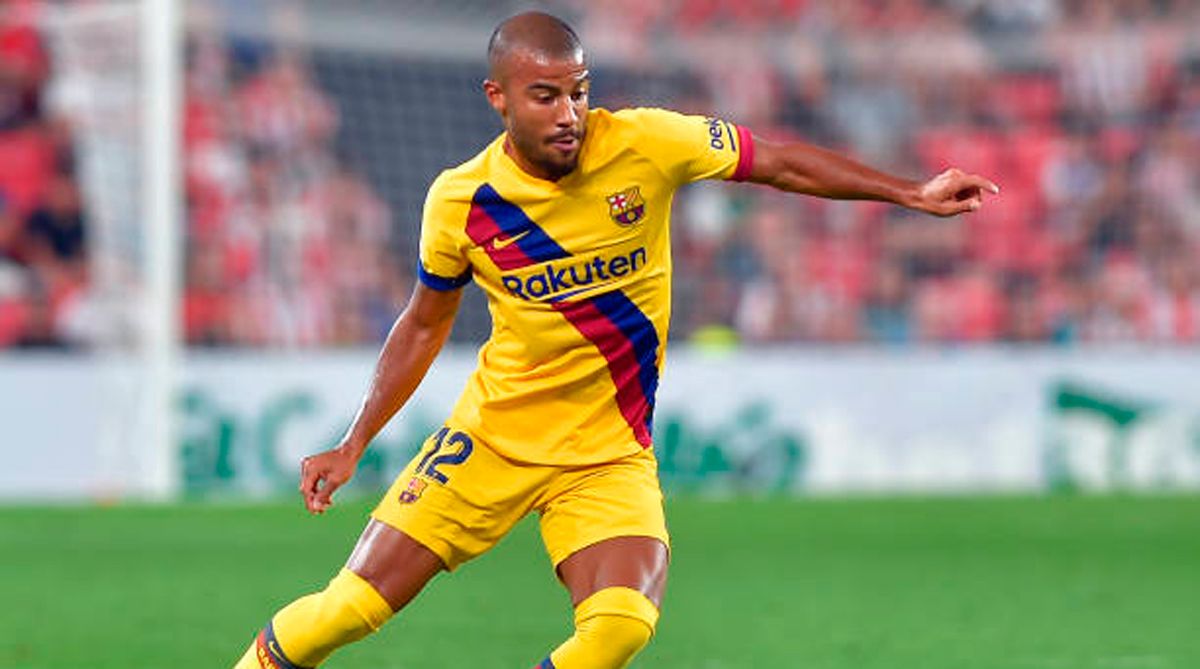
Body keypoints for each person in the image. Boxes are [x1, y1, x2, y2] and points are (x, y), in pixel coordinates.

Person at [232, 11, 998, 669]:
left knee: (621, 626)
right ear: (498, 98)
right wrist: (353, 440)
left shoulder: (647, 142)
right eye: (546, 95)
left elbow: (782, 163)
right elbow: (424, 323)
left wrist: (908, 192)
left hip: (606, 455)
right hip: (491, 441)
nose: (569, 111)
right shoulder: (462, 199)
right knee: (348, 610)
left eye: (578, 89)